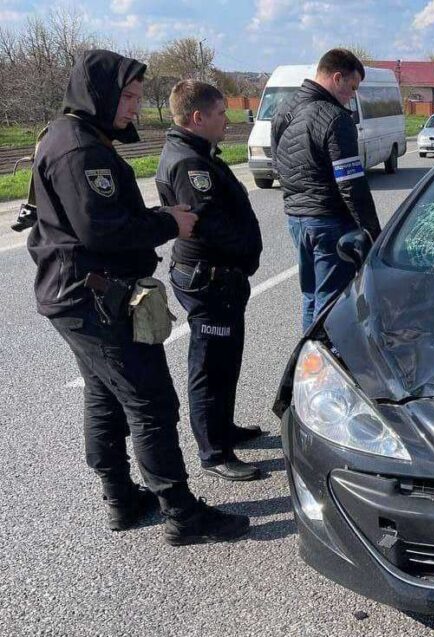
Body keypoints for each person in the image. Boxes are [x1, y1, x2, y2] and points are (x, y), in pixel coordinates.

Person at [26, 49, 249, 544]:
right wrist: (168, 221)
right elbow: (102, 230)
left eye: (135, 96)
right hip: (95, 301)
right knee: (150, 402)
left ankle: (122, 499)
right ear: (99, 94)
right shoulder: (79, 149)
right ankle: (182, 513)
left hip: (76, 296)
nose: (133, 107)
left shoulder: (69, 136)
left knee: (105, 397)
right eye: (126, 97)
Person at [156, 80, 264, 482]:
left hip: (221, 277)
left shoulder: (197, 152)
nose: (228, 120)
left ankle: (224, 428)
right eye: (221, 114)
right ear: (198, 118)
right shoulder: (190, 163)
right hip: (208, 278)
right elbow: (209, 225)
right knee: (210, 365)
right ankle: (214, 452)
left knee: (226, 358)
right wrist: (246, 252)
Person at [272, 48, 381, 332]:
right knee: (331, 305)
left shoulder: (282, 111)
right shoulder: (335, 118)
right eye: (352, 88)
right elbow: (351, 184)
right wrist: (372, 232)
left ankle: (305, 357)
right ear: (337, 78)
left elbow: (279, 165)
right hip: (329, 224)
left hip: (297, 220)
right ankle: (321, 365)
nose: (352, 97)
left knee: (311, 297)